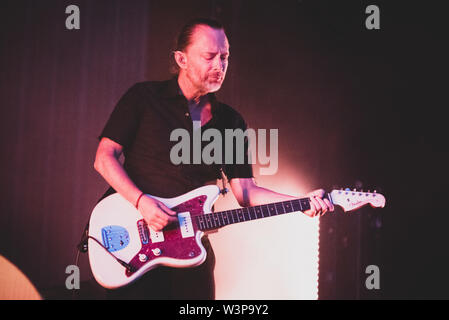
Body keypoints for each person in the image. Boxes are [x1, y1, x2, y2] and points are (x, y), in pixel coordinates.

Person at [93, 18, 334, 299]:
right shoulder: (143, 98)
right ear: (181, 59)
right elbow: (103, 158)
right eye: (209, 56)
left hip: (190, 254)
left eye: (225, 57)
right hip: (134, 241)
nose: (219, 66)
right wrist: (141, 202)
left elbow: (245, 191)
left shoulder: (229, 121)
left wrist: (300, 203)